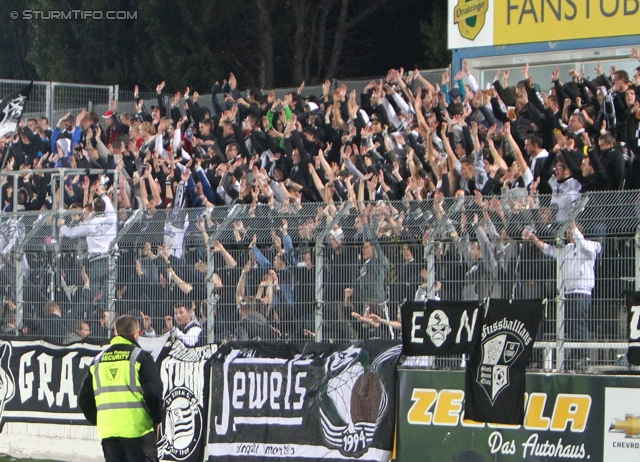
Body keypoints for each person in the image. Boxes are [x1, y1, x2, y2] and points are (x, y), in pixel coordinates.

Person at [79, 315, 163, 462]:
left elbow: (84, 399)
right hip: (139, 431)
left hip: (109, 432)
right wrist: (156, 419)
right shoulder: (141, 357)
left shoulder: (97, 361)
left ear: (116, 333)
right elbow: (153, 394)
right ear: (135, 334)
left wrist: (102, 420)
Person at [523, 222, 601, 369]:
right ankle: (576, 354)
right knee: (571, 325)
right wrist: (534, 239)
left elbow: (583, 245)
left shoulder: (591, 246)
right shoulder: (567, 248)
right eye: (568, 231)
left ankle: (582, 355)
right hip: (568, 292)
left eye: (570, 231)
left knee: (579, 324)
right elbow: (550, 250)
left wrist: (574, 226)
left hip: (582, 291)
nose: (567, 234)